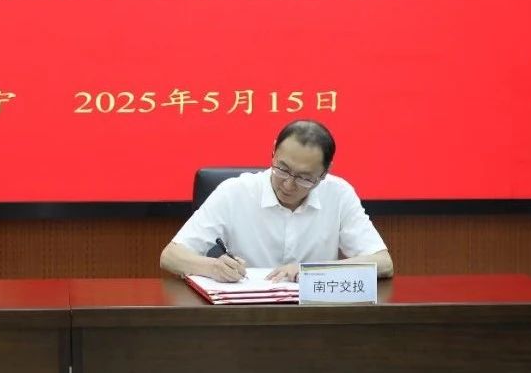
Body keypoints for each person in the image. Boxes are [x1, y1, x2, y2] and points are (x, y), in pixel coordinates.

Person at [160, 119, 392, 283]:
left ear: (324, 173)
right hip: (246, 316)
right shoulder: (235, 192)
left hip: (316, 317)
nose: (288, 184)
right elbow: (171, 256)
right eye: (282, 169)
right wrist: (213, 267)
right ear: (273, 152)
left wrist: (311, 272)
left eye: (304, 178)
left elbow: (383, 263)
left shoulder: (339, 193)